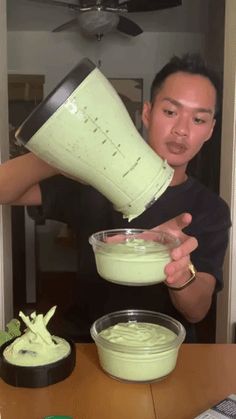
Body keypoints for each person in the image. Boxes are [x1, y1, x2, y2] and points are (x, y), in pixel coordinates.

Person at [0, 53, 231, 342]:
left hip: (164, 350)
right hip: (89, 343)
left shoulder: (210, 209)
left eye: (198, 119)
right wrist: (62, 151)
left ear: (210, 130)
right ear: (147, 113)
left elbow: (197, 311)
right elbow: (4, 190)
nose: (181, 130)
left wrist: (178, 270)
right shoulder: (93, 177)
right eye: (170, 112)